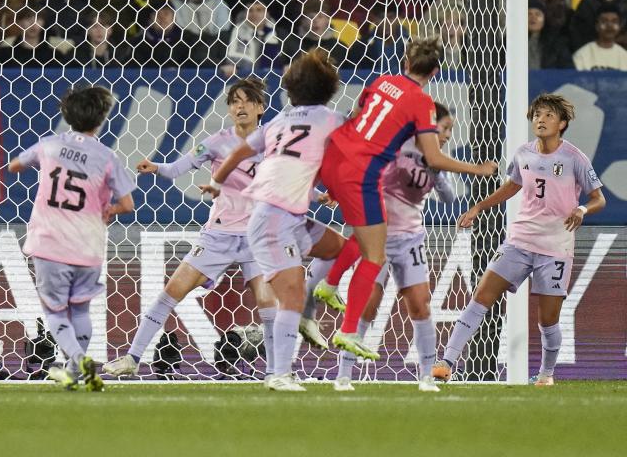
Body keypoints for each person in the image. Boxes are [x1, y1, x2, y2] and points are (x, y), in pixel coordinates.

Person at [316, 36, 497, 360]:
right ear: (436, 71)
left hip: (334, 155)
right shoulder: (421, 103)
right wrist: (478, 169)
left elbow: (356, 112)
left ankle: (328, 286)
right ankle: (346, 328)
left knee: (364, 235)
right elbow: (435, 158)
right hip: (362, 172)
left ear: (406, 62)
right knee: (374, 253)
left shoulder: (383, 81)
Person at [105, 79, 285, 377]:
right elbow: (178, 167)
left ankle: (276, 373)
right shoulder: (216, 142)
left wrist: (319, 195)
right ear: (229, 109)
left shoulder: (273, 144)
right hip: (218, 236)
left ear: (261, 107)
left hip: (257, 237)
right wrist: (157, 167)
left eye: (247, 101)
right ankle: (132, 359)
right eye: (234, 101)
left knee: (268, 306)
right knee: (171, 292)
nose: (240, 106)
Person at [433, 94, 606, 386]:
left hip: (555, 249)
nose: (541, 119)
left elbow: (598, 198)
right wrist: (479, 206)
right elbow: (511, 186)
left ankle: (546, 375)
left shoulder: (575, 158)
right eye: (538, 114)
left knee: (548, 320)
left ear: (562, 123)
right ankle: (446, 362)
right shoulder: (523, 154)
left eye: (549, 115)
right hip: (519, 242)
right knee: (481, 297)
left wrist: (581, 208)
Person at [199, 50, 346, 392]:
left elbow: (238, 152)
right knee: (290, 296)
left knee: (340, 248)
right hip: (271, 221)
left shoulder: (278, 122)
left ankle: (308, 310)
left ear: (291, 89)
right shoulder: (332, 119)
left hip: (286, 216)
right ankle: (279, 374)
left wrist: (218, 181)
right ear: (329, 89)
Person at [317, 103, 458, 392]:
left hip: (409, 239)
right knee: (367, 305)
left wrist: (439, 175)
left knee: (420, 305)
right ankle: (343, 375)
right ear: (429, 124)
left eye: (450, 132)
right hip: (375, 236)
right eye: (444, 129)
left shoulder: (434, 159)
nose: (445, 136)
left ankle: (427, 377)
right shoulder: (393, 146)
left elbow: (449, 198)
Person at [8, 85, 136, 390]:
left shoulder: (48, 145)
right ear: (101, 119)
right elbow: (128, 205)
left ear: (66, 115)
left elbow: (13, 165)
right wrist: (110, 210)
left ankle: (79, 361)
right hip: (88, 245)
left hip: (50, 241)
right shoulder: (107, 157)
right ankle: (74, 373)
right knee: (80, 309)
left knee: (54, 310)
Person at [572, 2, 627, 69]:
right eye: (604, 21)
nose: (609, 25)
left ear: (619, 26)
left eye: (614, 21)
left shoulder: (625, 57)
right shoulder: (582, 55)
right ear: (597, 26)